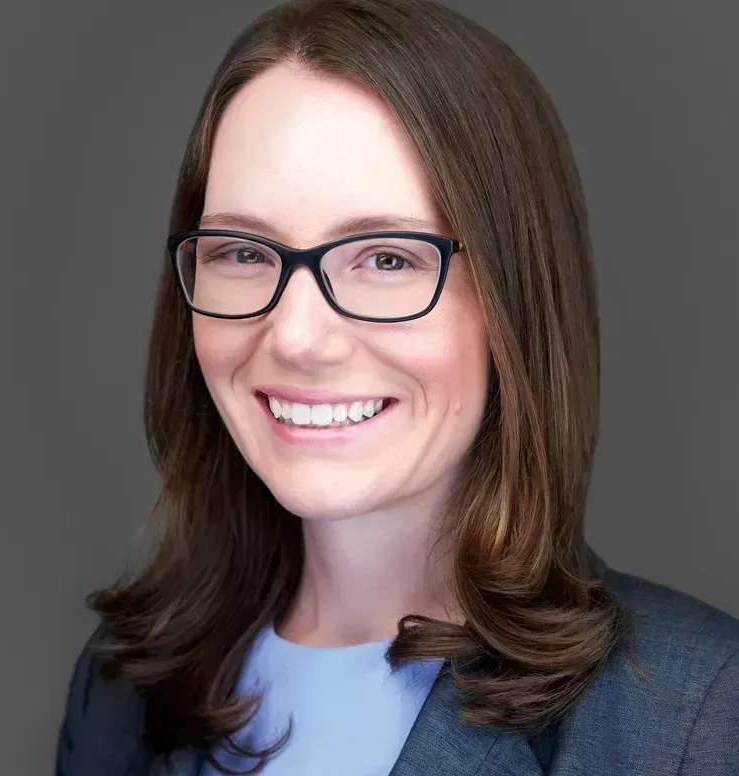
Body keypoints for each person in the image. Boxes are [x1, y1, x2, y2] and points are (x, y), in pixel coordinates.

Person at [55, 0, 739, 774]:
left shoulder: (698, 716)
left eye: (387, 259)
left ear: (513, 300)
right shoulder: (120, 689)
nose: (297, 338)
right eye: (243, 252)